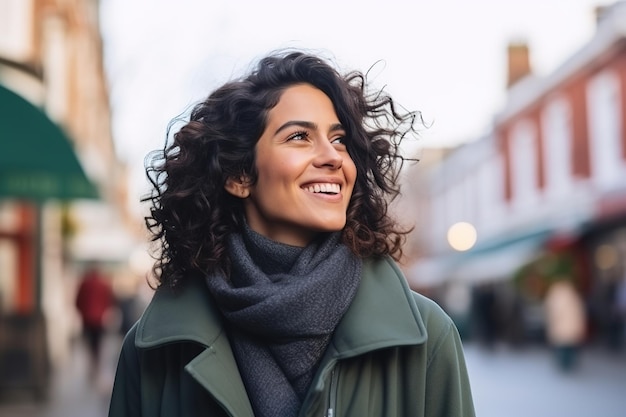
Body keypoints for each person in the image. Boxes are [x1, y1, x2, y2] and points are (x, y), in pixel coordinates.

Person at [108, 50, 475, 417]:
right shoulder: (154, 351)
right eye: (300, 136)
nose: (333, 157)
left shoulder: (426, 338)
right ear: (239, 176)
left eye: (340, 139)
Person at [75, 263, 114, 378]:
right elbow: (109, 300)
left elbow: (77, 301)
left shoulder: (84, 283)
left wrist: (83, 312)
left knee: (89, 343)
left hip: (87, 319)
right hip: (100, 320)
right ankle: (96, 365)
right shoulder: (104, 284)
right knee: (98, 344)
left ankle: (92, 366)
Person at [543, 277, 587, 372]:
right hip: (571, 327)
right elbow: (580, 312)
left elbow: (552, 312)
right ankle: (568, 364)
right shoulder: (573, 295)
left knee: (562, 346)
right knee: (569, 346)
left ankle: (564, 365)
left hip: (561, 327)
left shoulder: (555, 296)